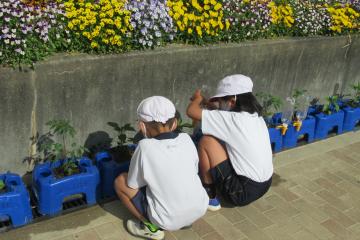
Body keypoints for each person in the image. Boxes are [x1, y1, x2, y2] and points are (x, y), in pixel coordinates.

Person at [114, 96, 209, 240]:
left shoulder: (144, 147)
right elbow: (193, 170)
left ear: (142, 126)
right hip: (200, 208)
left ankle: (150, 227)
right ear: (175, 122)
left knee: (120, 181)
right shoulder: (186, 139)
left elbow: (133, 183)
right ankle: (186, 221)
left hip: (166, 219)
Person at [186, 74, 273, 211]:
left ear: (232, 101)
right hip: (264, 185)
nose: (218, 105)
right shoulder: (255, 117)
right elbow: (223, 117)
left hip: (241, 192)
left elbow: (191, 111)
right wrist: (209, 104)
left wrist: (197, 99)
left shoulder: (233, 120)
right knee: (221, 141)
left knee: (207, 141)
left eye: (221, 101)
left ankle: (209, 196)